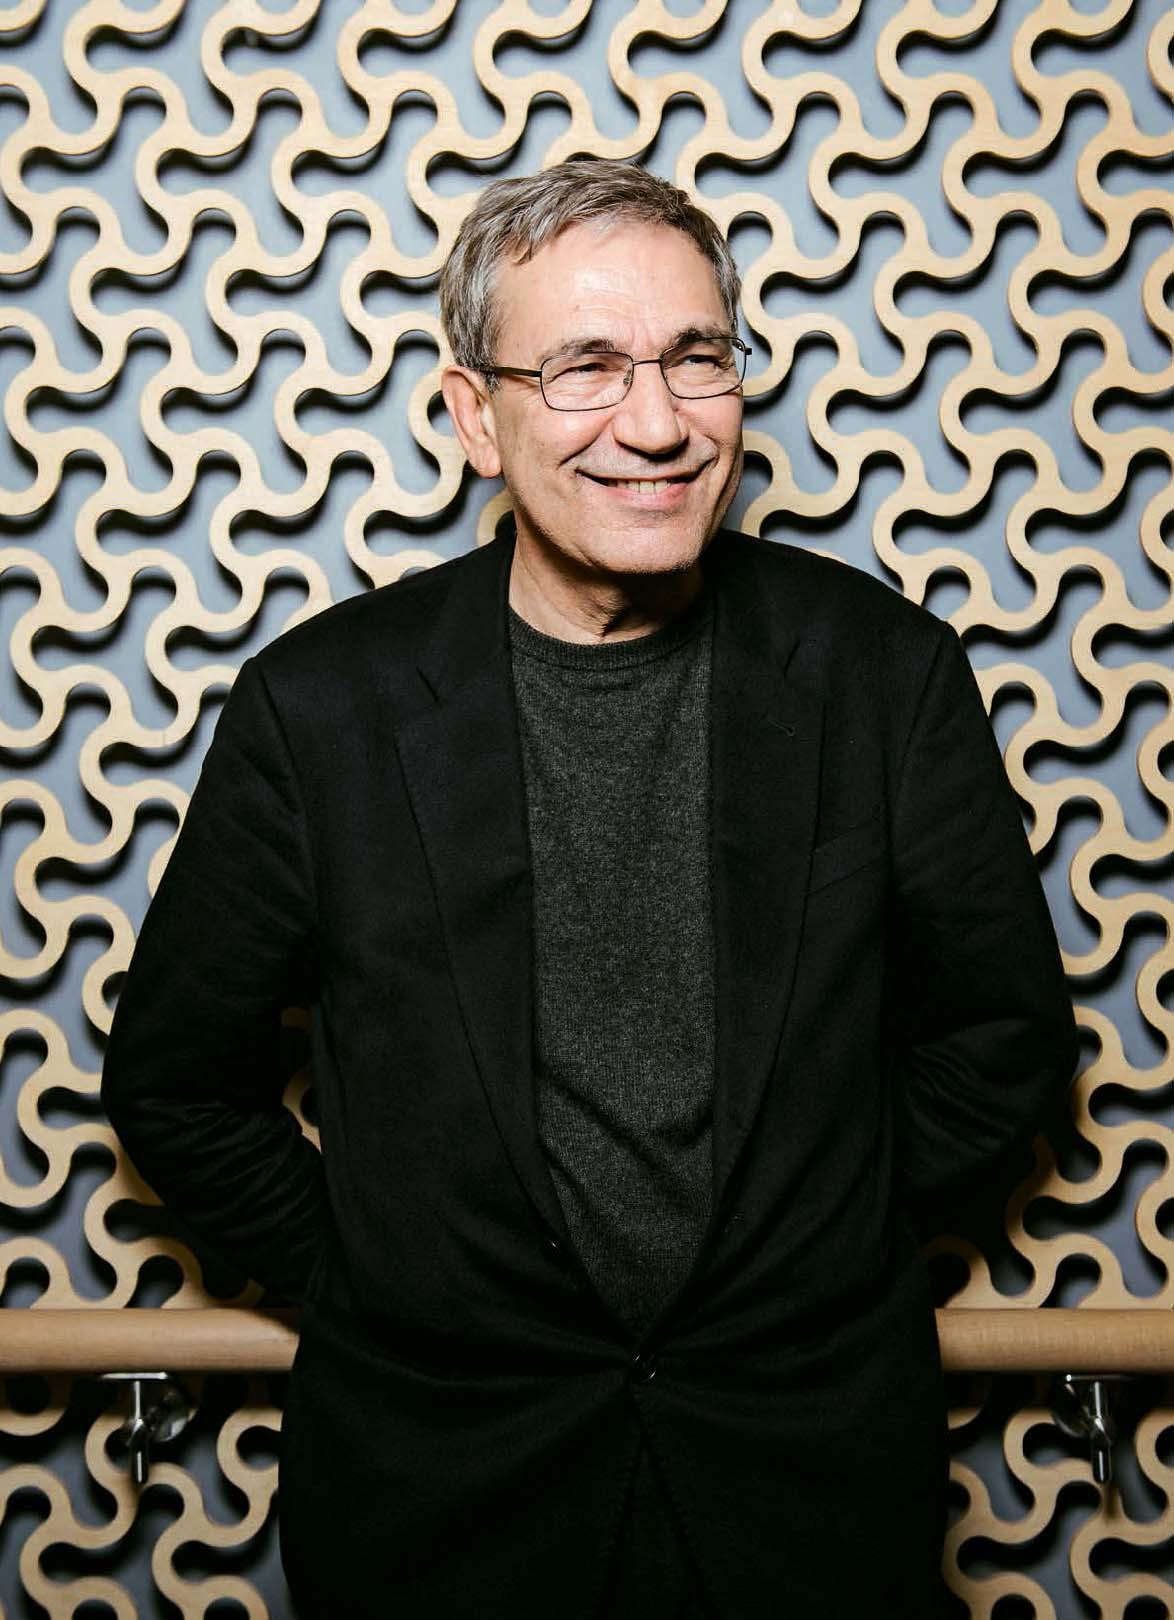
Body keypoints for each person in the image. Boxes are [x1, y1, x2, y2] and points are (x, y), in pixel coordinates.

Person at [101, 159, 1078, 1619]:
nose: (657, 422)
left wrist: (827, 1237)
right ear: (471, 416)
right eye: (584, 368)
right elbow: (178, 1084)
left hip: (804, 1491)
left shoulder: (883, 675)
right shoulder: (322, 710)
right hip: (442, 1498)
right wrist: (390, 1276)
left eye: (697, 358)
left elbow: (1003, 1040)